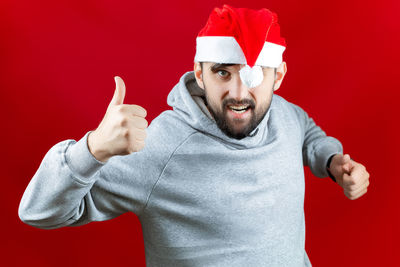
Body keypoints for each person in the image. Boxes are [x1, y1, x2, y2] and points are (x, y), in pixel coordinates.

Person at [18, 4, 370, 267]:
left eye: (253, 75)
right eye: (221, 72)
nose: (238, 94)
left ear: (278, 77)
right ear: (199, 75)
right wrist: (92, 150)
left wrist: (331, 160)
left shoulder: (283, 114)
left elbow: (307, 132)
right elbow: (39, 212)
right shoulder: (161, 148)